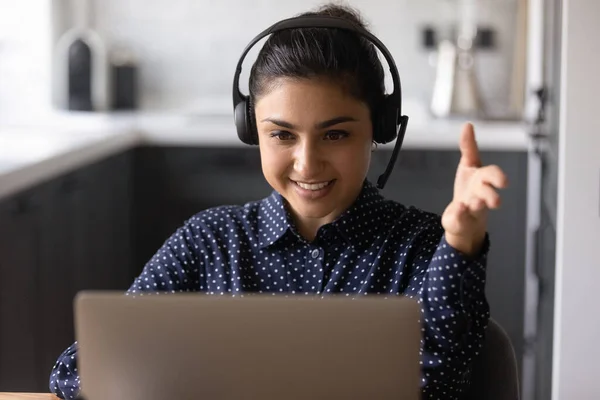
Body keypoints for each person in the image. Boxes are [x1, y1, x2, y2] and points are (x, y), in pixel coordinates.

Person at [50, 3, 508, 400]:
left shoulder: (424, 246)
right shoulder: (207, 242)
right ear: (251, 129)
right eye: (282, 134)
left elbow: (440, 383)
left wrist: (460, 246)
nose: (307, 164)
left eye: (335, 134)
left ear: (380, 129)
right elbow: (75, 370)